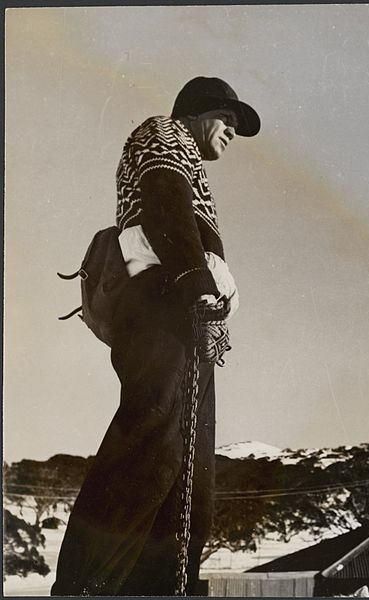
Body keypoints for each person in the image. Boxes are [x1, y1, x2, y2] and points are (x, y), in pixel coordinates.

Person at [51, 76, 260, 596]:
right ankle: (85, 583)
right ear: (195, 113)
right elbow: (165, 200)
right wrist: (195, 280)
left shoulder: (185, 153)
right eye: (227, 120)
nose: (232, 134)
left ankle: (163, 585)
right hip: (163, 305)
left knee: (188, 459)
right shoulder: (163, 134)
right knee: (153, 437)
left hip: (186, 315)